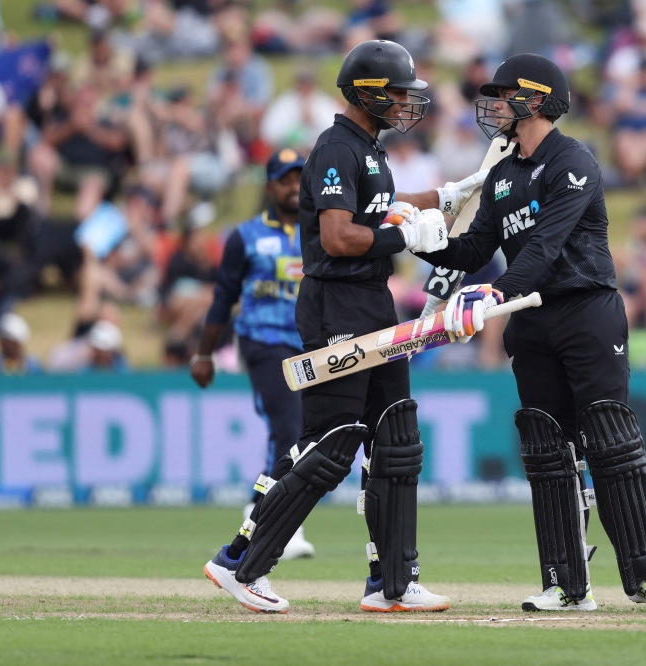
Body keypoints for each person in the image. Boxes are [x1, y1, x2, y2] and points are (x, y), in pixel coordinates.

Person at [204, 40, 486, 614]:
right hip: (337, 303)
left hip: (369, 300)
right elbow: (337, 237)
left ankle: (392, 582)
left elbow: (378, 203)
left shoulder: (367, 148)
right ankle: (241, 562)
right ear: (367, 93)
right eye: (398, 93)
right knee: (331, 440)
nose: (407, 103)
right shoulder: (337, 147)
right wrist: (403, 236)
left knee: (395, 437)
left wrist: (445, 195)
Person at [417, 53, 646, 613]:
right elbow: (476, 248)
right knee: (547, 448)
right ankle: (566, 583)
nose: (494, 105)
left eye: (504, 94)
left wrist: (494, 293)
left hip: (587, 310)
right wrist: (424, 241)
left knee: (609, 439)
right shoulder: (502, 175)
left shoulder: (573, 161)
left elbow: (545, 245)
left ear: (536, 100)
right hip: (531, 318)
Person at [191, 149, 316, 563]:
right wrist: (203, 354)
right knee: (288, 429)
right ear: (270, 187)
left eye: (299, 178)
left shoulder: (322, 231)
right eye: (285, 180)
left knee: (309, 435)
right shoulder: (245, 236)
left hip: (313, 345)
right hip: (264, 342)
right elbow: (223, 297)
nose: (294, 187)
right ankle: (273, 521)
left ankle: (260, 512)